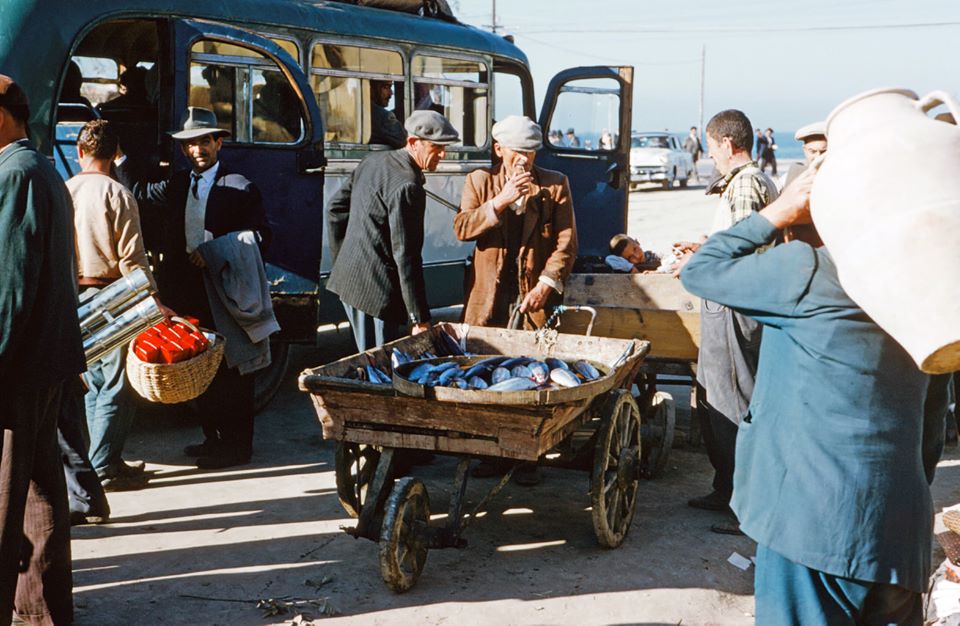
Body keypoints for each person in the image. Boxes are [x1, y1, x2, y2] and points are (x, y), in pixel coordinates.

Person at [680, 168, 934, 625]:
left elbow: (702, 270)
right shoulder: (926, 289)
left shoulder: (810, 268)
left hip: (811, 524)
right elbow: (931, 427)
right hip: (899, 531)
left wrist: (774, 212)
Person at [117, 107, 271, 470]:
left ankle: (237, 447)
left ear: (218, 143)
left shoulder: (240, 186)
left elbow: (261, 236)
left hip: (225, 290)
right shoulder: (178, 183)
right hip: (187, 288)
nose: (198, 149)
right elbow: (137, 193)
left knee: (233, 368)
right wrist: (120, 157)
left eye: (204, 141)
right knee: (200, 364)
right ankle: (212, 438)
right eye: (190, 144)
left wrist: (216, 251)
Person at [0, 73, 82, 626]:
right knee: (40, 494)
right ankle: (45, 613)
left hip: (19, 368)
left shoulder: (15, 175)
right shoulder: (39, 170)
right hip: (46, 361)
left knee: (4, 505)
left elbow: (9, 287)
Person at [675, 109, 778, 534]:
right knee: (713, 394)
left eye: (714, 148)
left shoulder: (747, 183)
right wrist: (705, 246)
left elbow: (746, 250)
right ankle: (727, 489)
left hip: (734, 305)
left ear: (728, 145)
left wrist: (704, 257)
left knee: (734, 400)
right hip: (726, 302)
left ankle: (748, 506)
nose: (711, 156)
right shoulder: (744, 184)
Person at [68, 119, 173, 490]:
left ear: (80, 152)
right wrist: (155, 301)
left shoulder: (64, 190)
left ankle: (104, 458)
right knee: (115, 384)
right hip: (113, 297)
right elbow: (133, 260)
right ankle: (102, 468)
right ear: (115, 154)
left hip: (73, 295)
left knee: (93, 382)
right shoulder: (118, 194)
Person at [326, 110, 459, 351]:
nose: (442, 154)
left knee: (369, 359)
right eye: (436, 147)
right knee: (380, 367)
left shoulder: (373, 160)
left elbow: (335, 209)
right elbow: (406, 256)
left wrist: (342, 261)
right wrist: (419, 319)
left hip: (349, 282)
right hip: (376, 293)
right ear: (412, 143)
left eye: (445, 147)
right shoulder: (408, 186)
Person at [454, 115, 578, 330]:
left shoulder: (555, 184)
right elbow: (463, 229)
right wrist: (501, 201)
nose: (524, 159)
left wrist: (545, 285)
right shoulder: (479, 180)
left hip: (533, 296)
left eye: (530, 151)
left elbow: (567, 243)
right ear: (499, 150)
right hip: (488, 299)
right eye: (518, 151)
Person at [782, 121, 827, 188]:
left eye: (823, 152)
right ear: (804, 150)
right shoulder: (789, 178)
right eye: (813, 151)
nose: (817, 157)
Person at [368, 79, 405, 148]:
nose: (390, 94)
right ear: (370, 89)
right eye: (385, 87)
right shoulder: (383, 117)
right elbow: (402, 140)